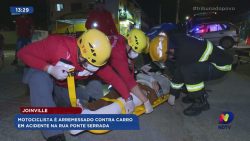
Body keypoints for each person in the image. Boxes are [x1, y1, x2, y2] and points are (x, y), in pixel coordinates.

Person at [17, 29, 135, 141]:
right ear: (82, 51)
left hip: (62, 87)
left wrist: (128, 98)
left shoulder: (95, 60)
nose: (93, 68)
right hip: (45, 77)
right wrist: (49, 69)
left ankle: (58, 105)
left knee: (86, 100)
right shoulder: (56, 44)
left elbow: (113, 78)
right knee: (39, 78)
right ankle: (54, 134)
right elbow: (23, 53)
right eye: (89, 63)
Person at [149, 33, 233, 116]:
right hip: (213, 61)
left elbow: (179, 74)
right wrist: (173, 93)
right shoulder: (174, 40)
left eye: (167, 57)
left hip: (221, 66)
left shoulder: (185, 52)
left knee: (189, 71)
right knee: (188, 70)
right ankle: (194, 95)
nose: (169, 59)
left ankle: (201, 102)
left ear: (169, 50)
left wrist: (173, 94)